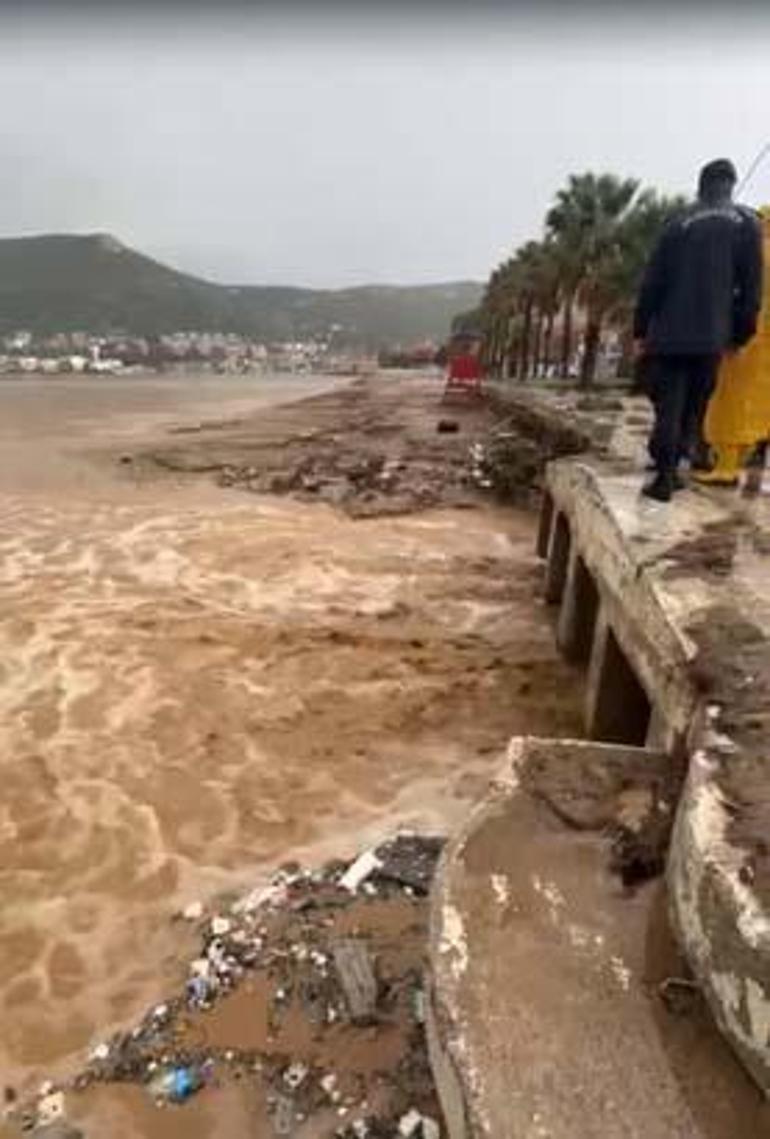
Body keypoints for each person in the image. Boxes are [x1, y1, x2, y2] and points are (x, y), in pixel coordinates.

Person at [633, 158, 763, 502]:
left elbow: (652, 281)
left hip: (668, 333)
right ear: (730, 185)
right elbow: (751, 288)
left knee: (668, 405)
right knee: (694, 406)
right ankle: (676, 466)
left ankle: (664, 475)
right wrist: (741, 333)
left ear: (701, 185)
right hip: (712, 334)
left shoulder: (677, 223)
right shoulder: (747, 224)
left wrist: (641, 329)